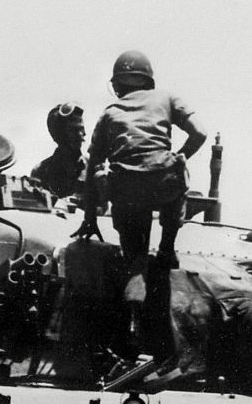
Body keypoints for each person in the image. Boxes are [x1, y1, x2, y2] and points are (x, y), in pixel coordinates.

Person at [75, 50, 207, 268]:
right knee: (178, 169)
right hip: (164, 184)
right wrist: (180, 157)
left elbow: (93, 166)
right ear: (148, 80)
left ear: (116, 85)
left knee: (135, 263)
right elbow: (200, 133)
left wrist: (90, 218)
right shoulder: (167, 98)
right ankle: (167, 248)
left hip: (125, 190)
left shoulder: (109, 112)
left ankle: (136, 264)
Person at [29, 101, 86, 201]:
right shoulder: (41, 171)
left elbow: (103, 205)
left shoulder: (92, 166)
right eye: (73, 130)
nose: (81, 134)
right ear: (59, 135)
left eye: (81, 129)